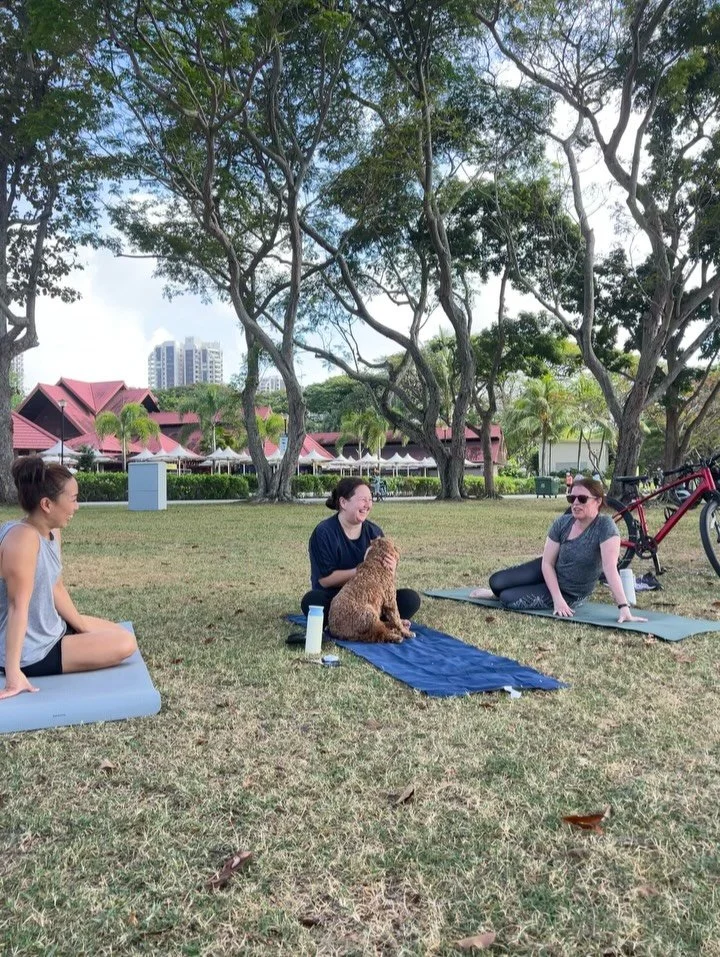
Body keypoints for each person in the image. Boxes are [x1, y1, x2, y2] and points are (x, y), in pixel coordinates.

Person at [0, 456, 137, 700]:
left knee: (116, 632)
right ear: (46, 504)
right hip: (31, 651)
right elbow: (16, 606)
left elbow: (56, 587)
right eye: (72, 500)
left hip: (50, 630)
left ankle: (75, 632)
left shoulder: (51, 531)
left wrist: (82, 629)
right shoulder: (22, 540)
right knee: (125, 644)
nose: (77, 507)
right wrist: (13, 674)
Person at [470, 476, 648, 624]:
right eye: (572, 499)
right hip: (549, 570)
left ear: (598, 501)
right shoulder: (563, 522)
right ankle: (495, 593)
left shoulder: (605, 527)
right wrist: (555, 597)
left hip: (570, 592)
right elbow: (547, 563)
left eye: (582, 499)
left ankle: (503, 595)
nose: (576, 503)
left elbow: (610, 569)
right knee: (496, 582)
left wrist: (624, 608)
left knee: (508, 599)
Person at [300, 476, 421, 626]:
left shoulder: (374, 532)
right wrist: (364, 569)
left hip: (370, 598)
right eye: (363, 500)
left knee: (410, 599)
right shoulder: (324, 533)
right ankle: (374, 622)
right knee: (312, 601)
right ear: (343, 502)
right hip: (336, 598)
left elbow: (385, 579)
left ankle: (373, 621)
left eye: (370, 500)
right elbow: (325, 580)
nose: (368, 505)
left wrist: (391, 568)